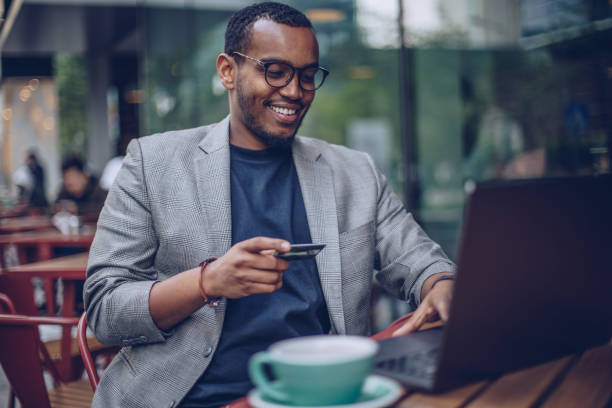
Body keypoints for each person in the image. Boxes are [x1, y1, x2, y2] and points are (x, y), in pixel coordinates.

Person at [84, 3, 456, 407]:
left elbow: (421, 260)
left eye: (307, 75)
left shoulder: (355, 172)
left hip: (322, 395)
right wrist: (207, 282)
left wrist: (440, 284)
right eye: (275, 71)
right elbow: (105, 310)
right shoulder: (153, 163)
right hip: (192, 398)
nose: (295, 91)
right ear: (228, 70)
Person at [53, 154, 107, 219]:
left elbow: (100, 209)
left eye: (74, 177)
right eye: (67, 178)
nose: (71, 182)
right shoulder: (64, 191)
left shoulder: (98, 190)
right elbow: (54, 207)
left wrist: (77, 209)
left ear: (84, 176)